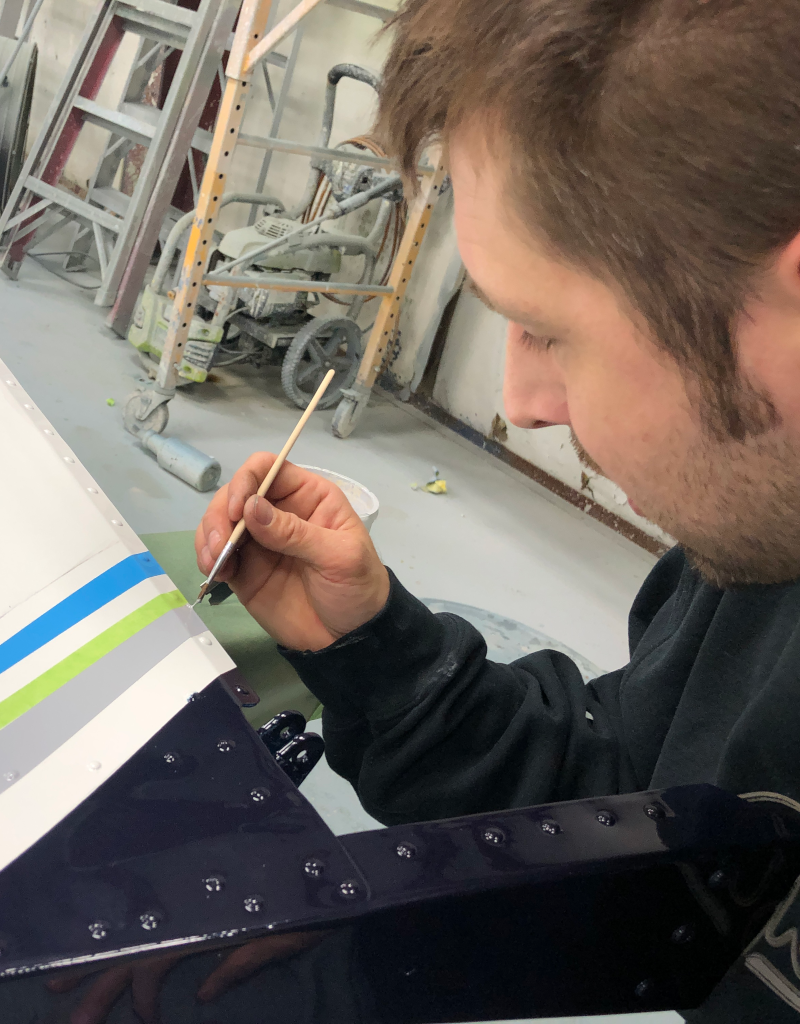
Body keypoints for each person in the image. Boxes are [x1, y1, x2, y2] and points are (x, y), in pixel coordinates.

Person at [44, 0, 800, 1020]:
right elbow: (633, 794)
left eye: (545, 330)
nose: (521, 405)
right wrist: (376, 668)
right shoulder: (756, 564)